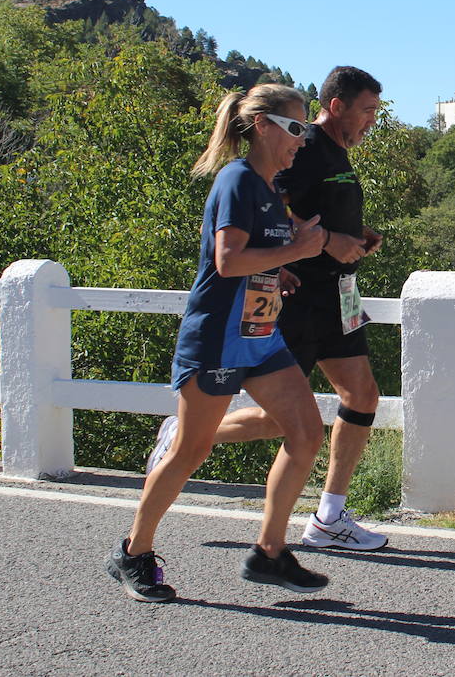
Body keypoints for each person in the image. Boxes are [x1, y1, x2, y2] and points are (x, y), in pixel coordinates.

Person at [147, 66, 390, 551]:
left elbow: (305, 212)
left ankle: (326, 518)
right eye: (366, 111)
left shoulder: (333, 151)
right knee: (285, 421)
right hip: (298, 299)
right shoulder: (293, 150)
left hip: (337, 295)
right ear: (336, 105)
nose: (371, 122)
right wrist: (318, 246)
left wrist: (352, 238)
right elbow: (273, 207)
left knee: (362, 396)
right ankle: (190, 439)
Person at [107, 84, 331, 602]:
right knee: (192, 450)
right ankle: (133, 553)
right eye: (296, 128)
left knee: (305, 433)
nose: (303, 140)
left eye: (306, 130)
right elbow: (227, 261)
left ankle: (270, 553)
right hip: (216, 338)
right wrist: (295, 249)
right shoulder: (237, 180)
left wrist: (280, 273)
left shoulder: (272, 188)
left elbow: (255, 260)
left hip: (260, 337)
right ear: (261, 126)